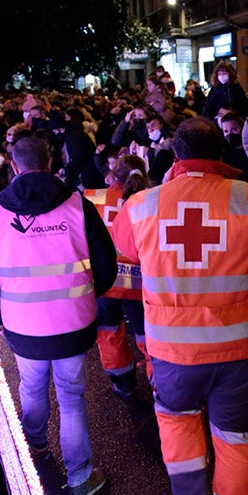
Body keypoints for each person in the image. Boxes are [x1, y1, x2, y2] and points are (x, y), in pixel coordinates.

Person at [110, 116, 248, 495]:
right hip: (241, 353)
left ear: (175, 156)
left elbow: (121, 259)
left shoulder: (141, 205)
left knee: (179, 429)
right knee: (237, 440)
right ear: (221, 153)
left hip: (173, 353)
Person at [0, 136, 117, 495]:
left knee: (31, 387)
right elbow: (106, 266)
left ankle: (34, 446)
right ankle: (80, 478)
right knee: (71, 397)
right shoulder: (78, 208)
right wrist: (83, 296)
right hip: (73, 325)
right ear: (51, 162)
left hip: (22, 327)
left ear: (14, 166)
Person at [83, 154, 151, 400]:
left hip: (104, 282)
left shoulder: (92, 197)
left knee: (109, 335)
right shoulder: (151, 200)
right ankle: (160, 384)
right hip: (141, 284)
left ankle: (124, 385)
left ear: (113, 174)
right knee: (150, 338)